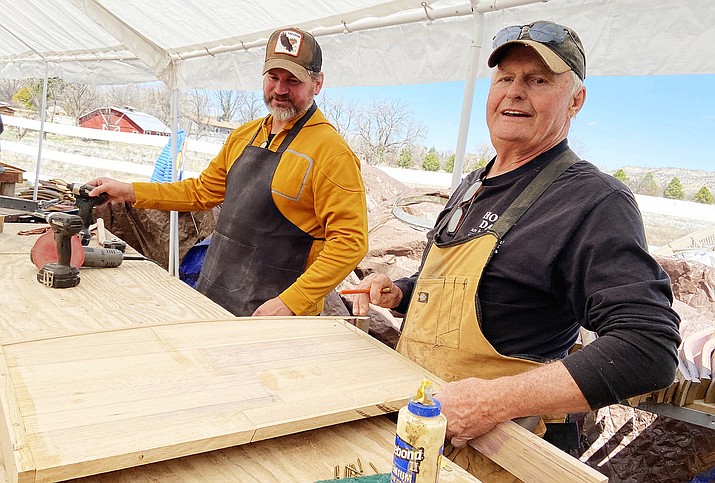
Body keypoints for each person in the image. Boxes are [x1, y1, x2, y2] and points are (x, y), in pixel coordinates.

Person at [352, 20, 680, 480]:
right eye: (505, 77)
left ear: (576, 100)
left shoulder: (594, 200)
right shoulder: (473, 184)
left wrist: (490, 401)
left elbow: (648, 347)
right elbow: (472, 292)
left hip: (506, 451)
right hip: (427, 435)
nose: (515, 92)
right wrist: (401, 293)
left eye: (538, 80)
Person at [89, 27, 368, 317]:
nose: (280, 90)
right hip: (216, 291)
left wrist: (292, 302)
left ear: (317, 83)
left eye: (293, 80)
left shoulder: (331, 153)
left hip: (273, 313)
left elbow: (350, 242)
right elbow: (199, 192)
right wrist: (128, 191)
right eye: (273, 78)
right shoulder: (244, 135)